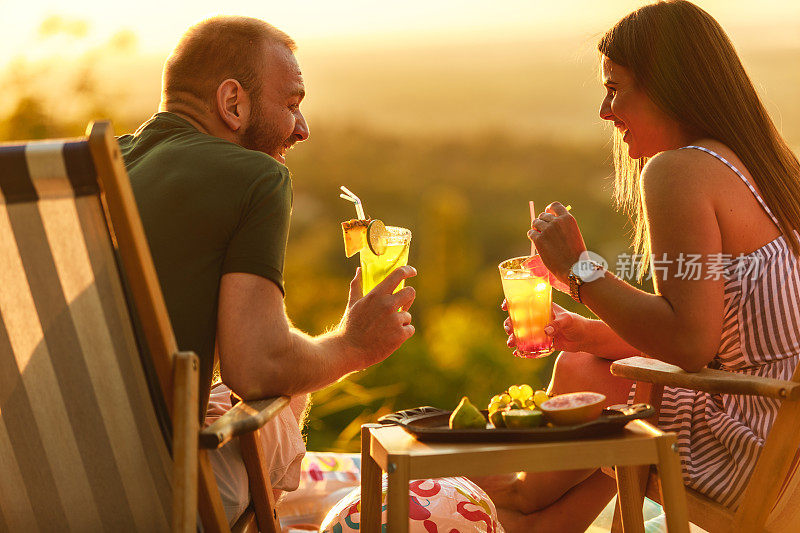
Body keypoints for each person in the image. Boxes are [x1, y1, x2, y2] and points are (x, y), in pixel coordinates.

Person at [478, 1, 800, 531]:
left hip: (757, 452)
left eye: (614, 87)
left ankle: (520, 497)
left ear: (670, 87)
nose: (606, 111)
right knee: (593, 363)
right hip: (786, 439)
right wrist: (585, 330)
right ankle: (537, 519)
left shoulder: (679, 169)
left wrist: (582, 269)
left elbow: (689, 347)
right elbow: (710, 337)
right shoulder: (755, 166)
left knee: (586, 377)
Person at [118, 16, 417, 524]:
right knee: (287, 390)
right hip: (153, 487)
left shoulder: (105, 166)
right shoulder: (255, 176)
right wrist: (352, 345)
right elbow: (255, 367)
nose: (302, 129)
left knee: (232, 395)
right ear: (233, 102)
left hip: (37, 467)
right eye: (293, 105)